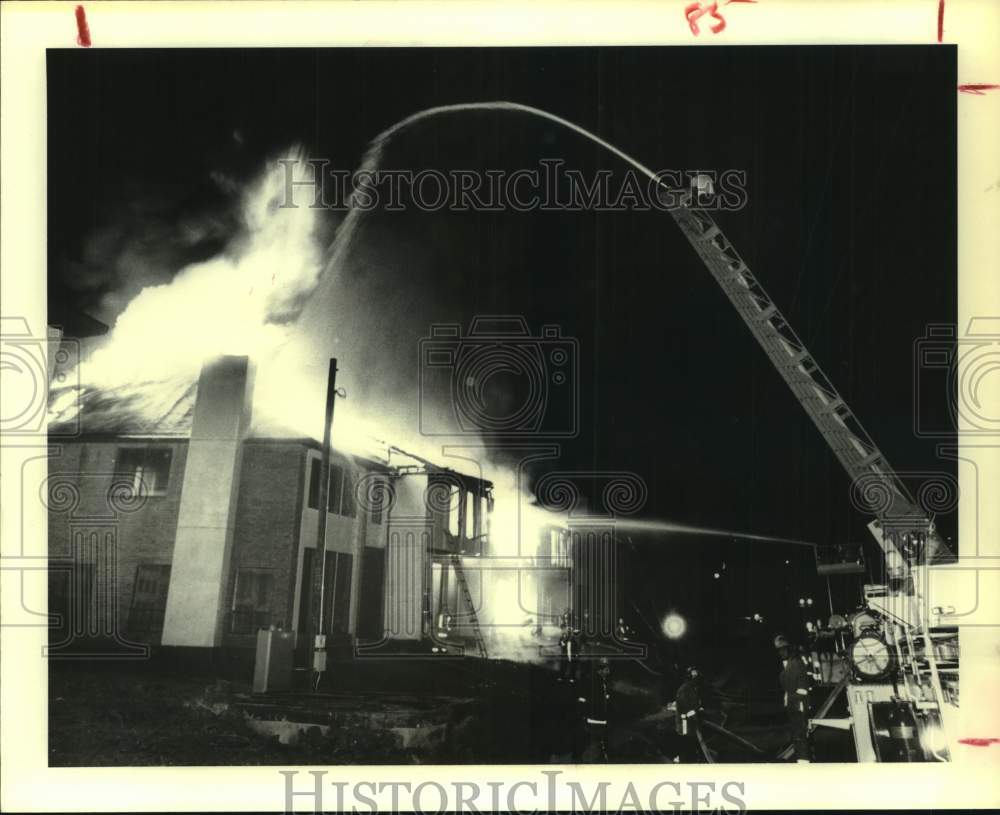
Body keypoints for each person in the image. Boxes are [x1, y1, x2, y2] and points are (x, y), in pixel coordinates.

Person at [775, 634, 812, 762]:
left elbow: (802, 689)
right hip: (793, 706)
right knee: (797, 735)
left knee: (801, 735)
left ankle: (804, 760)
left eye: (783, 649)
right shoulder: (788, 665)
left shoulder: (796, 664)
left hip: (798, 706)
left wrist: (791, 699)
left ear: (789, 649)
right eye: (779, 650)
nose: (781, 653)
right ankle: (802, 758)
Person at [673, 665, 705, 762]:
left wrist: (698, 709)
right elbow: (684, 708)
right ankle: (683, 760)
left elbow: (694, 704)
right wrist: (694, 713)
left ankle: (691, 758)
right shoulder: (684, 690)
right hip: (684, 722)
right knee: (685, 742)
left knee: (690, 742)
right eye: (694, 677)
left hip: (690, 722)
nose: (696, 680)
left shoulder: (693, 688)